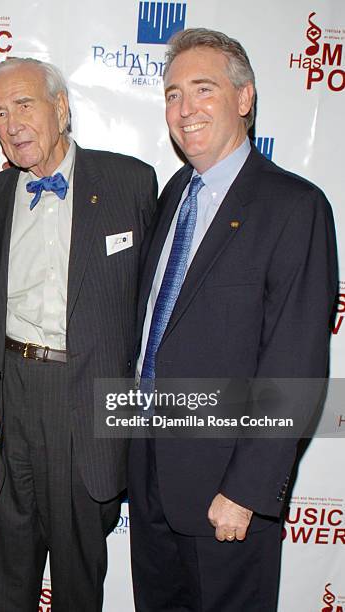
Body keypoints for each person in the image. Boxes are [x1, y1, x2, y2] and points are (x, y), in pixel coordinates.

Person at [128, 28, 337, 612]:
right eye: (172, 94)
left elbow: (295, 365)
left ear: (244, 98)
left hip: (226, 491)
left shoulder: (295, 207)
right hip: (149, 476)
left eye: (202, 89)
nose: (184, 109)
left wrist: (247, 490)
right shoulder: (174, 195)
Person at [0, 57, 157, 611]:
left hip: (85, 399)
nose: (11, 122)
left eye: (24, 105)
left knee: (77, 580)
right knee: (6, 578)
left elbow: (157, 302)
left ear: (61, 108)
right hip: (8, 396)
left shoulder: (131, 184)